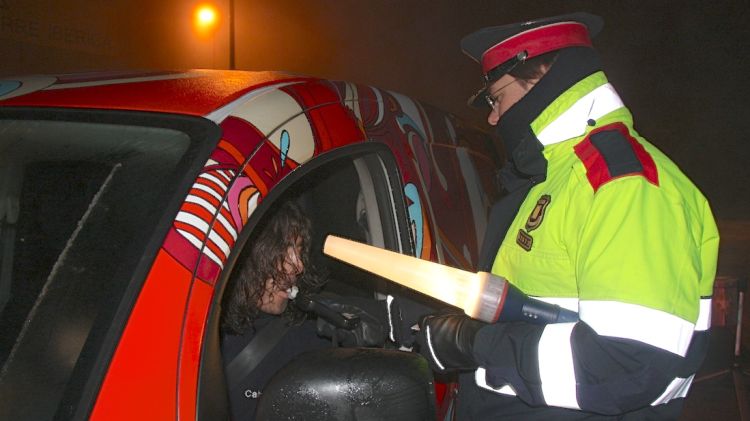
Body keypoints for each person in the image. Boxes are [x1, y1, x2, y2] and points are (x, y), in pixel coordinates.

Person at [416, 12, 719, 420]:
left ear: (542, 79)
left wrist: (474, 344)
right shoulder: (553, 178)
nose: (492, 117)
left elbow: (625, 363)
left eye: (495, 97)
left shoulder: (621, 184)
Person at [221, 200, 402, 420]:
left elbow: (400, 318)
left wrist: (366, 346)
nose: (299, 266)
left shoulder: (312, 326)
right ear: (248, 255)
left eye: (298, 250)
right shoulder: (202, 336)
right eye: (284, 250)